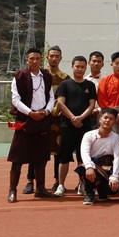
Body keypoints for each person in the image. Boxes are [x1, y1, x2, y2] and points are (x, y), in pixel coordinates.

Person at [7, 48, 55, 202]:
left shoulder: (46, 76)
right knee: (17, 158)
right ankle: (12, 190)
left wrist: (46, 111)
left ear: (41, 60)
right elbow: (16, 100)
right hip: (25, 121)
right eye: (32, 58)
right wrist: (30, 113)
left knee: (41, 157)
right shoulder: (19, 76)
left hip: (43, 120)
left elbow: (51, 97)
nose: (35, 61)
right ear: (26, 60)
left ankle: (40, 188)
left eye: (38, 58)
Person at [54, 55, 97, 197]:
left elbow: (92, 105)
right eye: (77, 66)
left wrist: (80, 118)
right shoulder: (65, 84)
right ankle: (61, 185)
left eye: (82, 67)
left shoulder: (90, 85)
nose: (79, 69)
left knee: (82, 157)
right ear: (72, 67)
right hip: (67, 126)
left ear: (86, 68)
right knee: (64, 157)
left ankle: (82, 184)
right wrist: (72, 118)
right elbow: (60, 103)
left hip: (85, 127)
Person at [78, 107, 119, 205]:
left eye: (111, 119)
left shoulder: (116, 138)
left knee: (112, 189)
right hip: (93, 165)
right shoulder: (88, 135)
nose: (107, 120)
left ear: (114, 122)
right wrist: (89, 167)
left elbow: (117, 157)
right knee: (86, 169)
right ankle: (89, 192)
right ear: (100, 119)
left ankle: (102, 191)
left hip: (107, 166)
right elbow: (84, 153)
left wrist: (114, 177)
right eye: (105, 117)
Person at [42, 45, 69, 192]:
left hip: (59, 120)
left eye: (56, 56)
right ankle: (32, 180)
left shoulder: (65, 78)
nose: (54, 59)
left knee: (59, 151)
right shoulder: (40, 75)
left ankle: (58, 181)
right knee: (39, 151)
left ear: (61, 58)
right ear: (47, 57)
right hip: (41, 119)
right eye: (51, 56)